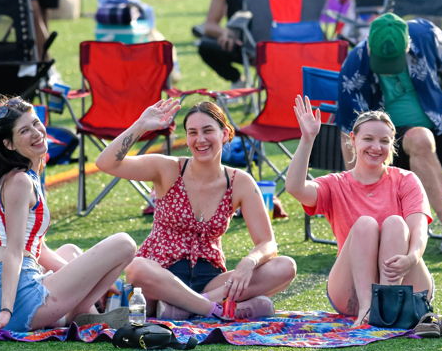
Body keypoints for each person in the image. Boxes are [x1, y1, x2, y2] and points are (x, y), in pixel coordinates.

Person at [95, 99, 296, 321]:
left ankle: (190, 307)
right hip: (161, 275)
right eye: (192, 133)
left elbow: (267, 243)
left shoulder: (239, 182)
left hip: (211, 279)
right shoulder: (168, 168)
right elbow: (105, 163)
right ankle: (215, 307)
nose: (200, 139)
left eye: (208, 130)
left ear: (225, 134)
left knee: (285, 267)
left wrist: (249, 263)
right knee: (137, 268)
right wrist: (141, 125)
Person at [0, 97, 136, 340]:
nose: (37, 133)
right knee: (125, 244)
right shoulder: (19, 182)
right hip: (19, 302)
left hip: (9, 295)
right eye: (25, 131)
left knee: (70, 251)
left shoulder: (25, 175)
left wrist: (95, 277)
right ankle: (82, 312)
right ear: (9, 144)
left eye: (36, 124)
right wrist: (6, 311)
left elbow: (38, 249)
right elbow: (14, 251)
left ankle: (84, 311)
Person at [336, 12, 442, 256]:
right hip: (389, 146)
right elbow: (349, 131)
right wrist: (353, 184)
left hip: (438, 122)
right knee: (420, 137)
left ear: (407, 45)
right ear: (369, 47)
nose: (389, 69)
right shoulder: (355, 64)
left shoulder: (425, 34)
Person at [286, 97, 433, 326]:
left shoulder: (406, 180)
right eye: (368, 139)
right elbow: (295, 188)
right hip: (351, 289)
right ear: (352, 140)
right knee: (365, 224)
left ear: (392, 144)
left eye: (384, 141)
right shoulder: (336, 184)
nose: (376, 147)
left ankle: (389, 303)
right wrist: (307, 139)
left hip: (405, 283)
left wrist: (411, 258)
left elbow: (419, 231)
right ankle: (368, 307)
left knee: (395, 223)